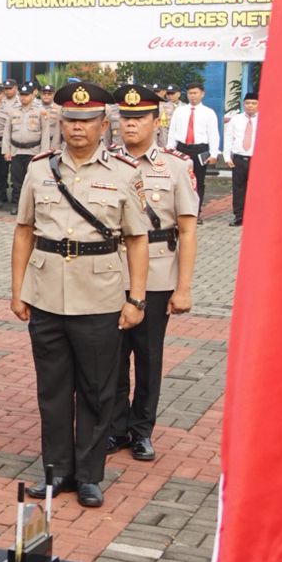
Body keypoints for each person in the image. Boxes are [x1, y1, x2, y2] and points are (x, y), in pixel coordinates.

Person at [10, 82, 149, 509]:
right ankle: (56, 472)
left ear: (103, 125)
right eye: (70, 120)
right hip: (47, 292)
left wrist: (137, 298)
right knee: (52, 390)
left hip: (99, 295)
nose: (77, 129)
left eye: (87, 121)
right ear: (60, 123)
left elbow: (138, 240)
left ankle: (89, 475)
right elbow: (23, 231)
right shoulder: (39, 169)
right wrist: (17, 291)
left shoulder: (125, 174)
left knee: (96, 390)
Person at [108, 84, 198, 462]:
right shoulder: (105, 162)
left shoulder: (177, 166)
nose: (130, 125)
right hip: (113, 271)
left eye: (139, 118)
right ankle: (114, 427)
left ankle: (141, 429)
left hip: (159, 273)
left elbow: (188, 229)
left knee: (148, 356)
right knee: (111, 356)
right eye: (125, 118)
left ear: (155, 120)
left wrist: (184, 288)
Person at [165, 82, 219, 209]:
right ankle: (181, 209)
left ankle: (196, 210)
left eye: (195, 93)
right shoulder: (180, 111)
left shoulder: (209, 113)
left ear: (202, 94)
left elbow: (213, 134)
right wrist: (170, 149)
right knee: (180, 181)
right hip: (182, 148)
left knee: (198, 181)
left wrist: (214, 153)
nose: (192, 96)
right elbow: (173, 132)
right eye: (190, 93)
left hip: (200, 149)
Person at [0, 85, 50, 208]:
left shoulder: (40, 111)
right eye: (22, 95)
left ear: (33, 95)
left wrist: (43, 154)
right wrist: (6, 150)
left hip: (34, 151)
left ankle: (32, 206)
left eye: (26, 95)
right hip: (16, 151)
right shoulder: (13, 111)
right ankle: (17, 205)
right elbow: (7, 132)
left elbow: (45, 133)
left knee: (33, 180)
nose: (23, 97)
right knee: (16, 180)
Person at [223, 90, 258, 226]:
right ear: (243, 104)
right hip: (239, 159)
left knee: (255, 189)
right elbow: (228, 138)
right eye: (247, 103)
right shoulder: (236, 119)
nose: (250, 106)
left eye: (253, 103)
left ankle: (254, 216)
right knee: (238, 189)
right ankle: (239, 216)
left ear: (258, 105)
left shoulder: (264, 119)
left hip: (256, 160)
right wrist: (227, 157)